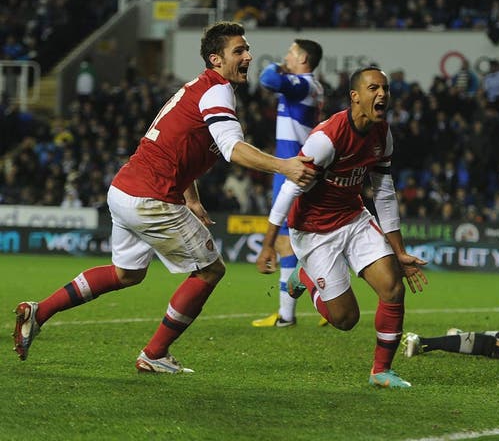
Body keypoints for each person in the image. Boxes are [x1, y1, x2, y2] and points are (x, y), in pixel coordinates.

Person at [12, 21, 316, 373]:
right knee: (210, 271)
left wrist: (193, 198)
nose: (248, 56)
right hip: (151, 197)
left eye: (247, 49)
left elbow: (176, 144)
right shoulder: (217, 92)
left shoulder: (195, 88)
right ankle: (154, 354)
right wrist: (287, 167)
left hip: (124, 189)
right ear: (216, 60)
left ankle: (40, 311)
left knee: (126, 274)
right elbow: (233, 149)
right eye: (239, 51)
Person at [256, 66, 427, 388]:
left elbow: (385, 192)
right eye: (374, 88)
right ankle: (304, 275)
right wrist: (268, 242)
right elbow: (290, 188)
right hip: (313, 230)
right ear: (355, 96)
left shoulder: (382, 133)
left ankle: (381, 371)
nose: (382, 95)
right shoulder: (327, 138)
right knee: (346, 320)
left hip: (353, 217)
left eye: (385, 89)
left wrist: (399, 251)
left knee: (392, 287)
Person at [251, 38, 325, 328]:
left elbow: (267, 78)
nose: (286, 57)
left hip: (292, 169)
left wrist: (278, 66)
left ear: (303, 58)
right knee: (303, 240)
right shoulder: (310, 86)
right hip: (297, 167)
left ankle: (287, 316)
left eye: (291, 53)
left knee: (285, 241)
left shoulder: (303, 84)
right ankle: (318, 303)